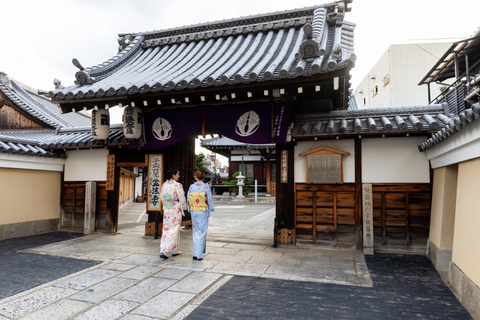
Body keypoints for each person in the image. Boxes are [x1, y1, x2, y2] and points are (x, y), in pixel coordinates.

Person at [159, 167, 186, 259]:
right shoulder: (177, 185)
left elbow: (162, 197)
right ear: (173, 175)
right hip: (175, 209)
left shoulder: (164, 184)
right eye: (177, 174)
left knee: (166, 229)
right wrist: (184, 207)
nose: (179, 176)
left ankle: (175, 250)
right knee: (174, 229)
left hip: (167, 208)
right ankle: (165, 250)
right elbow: (182, 198)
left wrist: (169, 204)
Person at [187, 169, 215, 261]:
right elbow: (209, 199)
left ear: (195, 176)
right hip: (203, 211)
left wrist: (189, 208)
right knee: (202, 232)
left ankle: (195, 253)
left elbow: (188, 199)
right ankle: (199, 255)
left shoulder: (192, 187)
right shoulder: (205, 186)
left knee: (195, 231)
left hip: (194, 210)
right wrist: (211, 208)